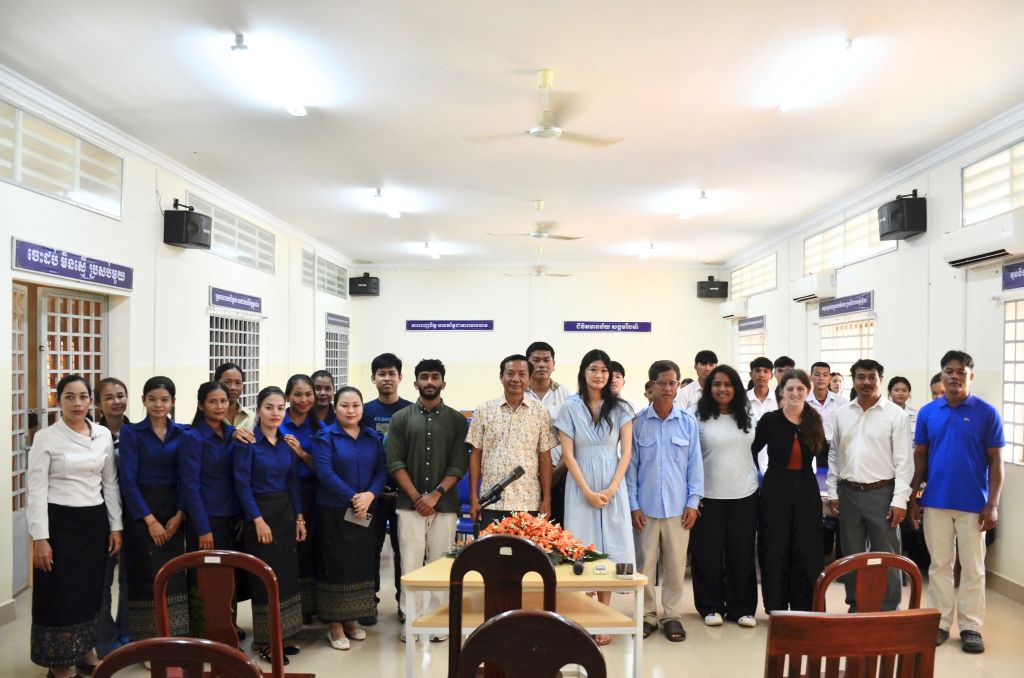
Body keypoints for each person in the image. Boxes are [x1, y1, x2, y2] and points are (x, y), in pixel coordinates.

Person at [28, 375, 123, 678]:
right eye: (69, 397)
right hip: (59, 524)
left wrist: (116, 526)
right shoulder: (46, 438)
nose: (77, 403)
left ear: (91, 401)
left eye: (83, 397)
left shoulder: (102, 435)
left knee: (90, 592)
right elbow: (36, 491)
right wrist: (40, 538)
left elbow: (110, 483)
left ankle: (87, 651)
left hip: (94, 523)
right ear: (58, 401)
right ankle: (59, 664)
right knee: (60, 594)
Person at [909, 350, 1004, 653]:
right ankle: (939, 623)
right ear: (942, 375)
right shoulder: (928, 412)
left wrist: (993, 503)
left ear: (970, 376)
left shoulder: (987, 413)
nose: (954, 376)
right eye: (949, 371)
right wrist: (915, 497)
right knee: (939, 566)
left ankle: (970, 627)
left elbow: (996, 462)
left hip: (973, 505)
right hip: (935, 502)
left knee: (973, 568)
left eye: (961, 371)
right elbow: (920, 458)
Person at [556, 349, 635, 646]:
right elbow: (568, 455)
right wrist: (587, 491)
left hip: (613, 484)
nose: (599, 375)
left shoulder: (622, 408)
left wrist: (612, 487)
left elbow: (626, 452)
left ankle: (604, 616)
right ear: (583, 372)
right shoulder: (569, 406)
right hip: (580, 484)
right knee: (582, 545)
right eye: (593, 369)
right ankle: (583, 617)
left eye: (604, 370)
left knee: (611, 546)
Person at [386, 358, 469, 641]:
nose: (430, 382)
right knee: (410, 563)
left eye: (435, 377)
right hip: (408, 506)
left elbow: (458, 464)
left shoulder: (457, 420)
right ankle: (412, 620)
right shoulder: (401, 418)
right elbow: (395, 462)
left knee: (440, 562)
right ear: (415, 382)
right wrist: (416, 497)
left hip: (445, 505)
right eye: (424, 377)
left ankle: (438, 620)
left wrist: (434, 496)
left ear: (443, 382)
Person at [626, 360, 702, 642]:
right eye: (663, 383)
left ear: (678, 386)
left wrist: (693, 502)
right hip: (644, 508)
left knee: (675, 564)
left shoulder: (688, 423)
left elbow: (695, 466)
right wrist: (633, 505)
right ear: (651, 386)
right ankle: (646, 615)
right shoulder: (637, 423)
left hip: (678, 508)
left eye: (673, 383)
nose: (668, 388)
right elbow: (630, 468)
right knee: (645, 564)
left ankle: (671, 616)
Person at [827, 360, 912, 612]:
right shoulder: (842, 413)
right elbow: (834, 454)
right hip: (848, 493)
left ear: (880, 380)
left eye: (872, 377)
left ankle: (889, 608)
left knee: (887, 555)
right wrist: (832, 491)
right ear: (853, 380)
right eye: (861, 377)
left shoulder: (895, 415)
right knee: (851, 555)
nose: (866, 382)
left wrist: (900, 500)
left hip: (882, 494)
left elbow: (904, 461)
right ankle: (856, 605)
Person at [233, 386, 306, 664]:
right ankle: (265, 641)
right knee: (265, 579)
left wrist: (299, 517)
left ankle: (282, 636)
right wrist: (257, 520)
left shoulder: (288, 442)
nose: (275, 413)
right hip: (260, 515)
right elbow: (242, 485)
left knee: (286, 577)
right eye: (269, 407)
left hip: (285, 514)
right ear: (258, 409)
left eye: (279, 408)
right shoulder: (248, 442)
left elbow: (293, 482)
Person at [313, 386, 386, 651]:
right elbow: (324, 473)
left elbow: (382, 470)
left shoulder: (373, 437)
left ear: (362, 408)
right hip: (333, 512)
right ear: (335, 408)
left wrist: (370, 495)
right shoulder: (325, 437)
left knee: (359, 566)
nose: (351, 410)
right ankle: (334, 625)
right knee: (335, 567)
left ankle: (351, 619)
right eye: (345, 405)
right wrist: (354, 497)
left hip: (365, 511)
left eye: (356, 405)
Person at [118, 376, 189, 640]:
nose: (158, 405)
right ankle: (146, 640)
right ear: (143, 401)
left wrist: (179, 514)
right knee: (144, 575)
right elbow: (128, 480)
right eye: (152, 399)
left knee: (174, 574)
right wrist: (150, 521)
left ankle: (175, 635)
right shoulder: (131, 433)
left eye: (164, 399)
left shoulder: (183, 433)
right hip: (141, 513)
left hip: (174, 511)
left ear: (173, 402)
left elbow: (187, 476)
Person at [752, 369, 826, 612]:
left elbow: (823, 453)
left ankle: (806, 606)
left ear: (808, 390)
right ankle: (776, 605)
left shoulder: (814, 419)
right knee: (775, 546)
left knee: (806, 547)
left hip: (806, 489)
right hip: (776, 489)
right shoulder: (770, 420)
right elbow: (751, 450)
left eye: (800, 388)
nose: (795, 393)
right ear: (782, 391)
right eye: (790, 389)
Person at [691, 365, 759, 628]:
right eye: (717, 384)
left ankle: (742, 608)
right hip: (707, 496)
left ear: (737, 388)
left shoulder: (749, 413)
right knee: (707, 554)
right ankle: (710, 607)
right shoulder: (696, 416)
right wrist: (692, 494)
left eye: (728, 384)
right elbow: (688, 458)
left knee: (741, 553)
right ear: (709, 388)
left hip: (744, 494)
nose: (722, 389)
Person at [179, 381, 243, 636]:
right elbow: (190, 486)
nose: (219, 406)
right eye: (212, 401)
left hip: (230, 518)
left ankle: (227, 629)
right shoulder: (192, 437)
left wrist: (241, 514)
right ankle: (204, 634)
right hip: (205, 519)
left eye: (223, 401)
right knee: (204, 576)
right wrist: (203, 529)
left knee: (227, 575)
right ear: (200, 405)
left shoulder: (233, 434)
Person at [468, 355, 557, 526]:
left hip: (528, 502)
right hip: (490, 501)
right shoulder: (483, 411)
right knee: (491, 544)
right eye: (510, 373)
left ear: (529, 379)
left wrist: (546, 499)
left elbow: (545, 458)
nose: (516, 379)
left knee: (526, 545)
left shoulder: (541, 413)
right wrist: (474, 497)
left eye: (522, 374)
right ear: (501, 376)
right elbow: (475, 456)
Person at [360, 353, 413, 625]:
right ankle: (369, 601)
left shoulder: (411, 410)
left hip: (405, 494)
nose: (387, 378)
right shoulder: (364, 411)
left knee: (404, 549)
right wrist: (372, 488)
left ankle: (404, 604)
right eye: (381, 374)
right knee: (370, 548)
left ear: (400, 377)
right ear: (373, 378)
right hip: (373, 495)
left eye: (392, 373)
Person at [281, 374, 321, 624]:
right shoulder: (277, 422)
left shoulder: (319, 427)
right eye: (297, 394)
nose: (304, 399)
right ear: (288, 396)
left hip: (313, 493)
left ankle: (309, 607)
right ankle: (290, 609)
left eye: (308, 394)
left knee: (310, 550)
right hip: (283, 495)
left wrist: (302, 453)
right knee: (290, 550)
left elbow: (323, 467)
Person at [94, 378, 130, 657]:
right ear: (98, 404)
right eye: (109, 397)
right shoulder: (91, 435)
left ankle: (128, 633)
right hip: (99, 518)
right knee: (101, 581)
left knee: (130, 579)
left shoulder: (136, 433)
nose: (116, 401)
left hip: (133, 516)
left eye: (120, 395)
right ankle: (104, 639)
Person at [525, 341, 572, 527]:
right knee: (527, 529)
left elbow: (574, 436)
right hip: (527, 475)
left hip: (561, 471)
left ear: (553, 365)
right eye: (536, 360)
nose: (542, 365)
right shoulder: (519, 393)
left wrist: (558, 470)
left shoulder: (566, 394)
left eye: (546, 360)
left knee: (557, 529)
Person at [807, 361, 846, 467]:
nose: (821, 378)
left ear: (829, 378)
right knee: (817, 476)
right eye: (817, 374)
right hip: (811, 449)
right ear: (811, 377)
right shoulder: (804, 402)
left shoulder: (841, 402)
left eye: (825, 375)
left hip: (836, 449)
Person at [746, 356, 778, 475]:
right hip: (748, 452)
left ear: (771, 375)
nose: (761, 375)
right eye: (757, 371)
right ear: (751, 374)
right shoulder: (742, 400)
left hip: (774, 453)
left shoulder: (779, 399)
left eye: (765, 371)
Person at [215, 362, 256, 431]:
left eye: (238, 383)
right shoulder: (208, 419)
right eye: (227, 382)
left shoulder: (251, 418)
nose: (233, 387)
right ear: (216, 383)